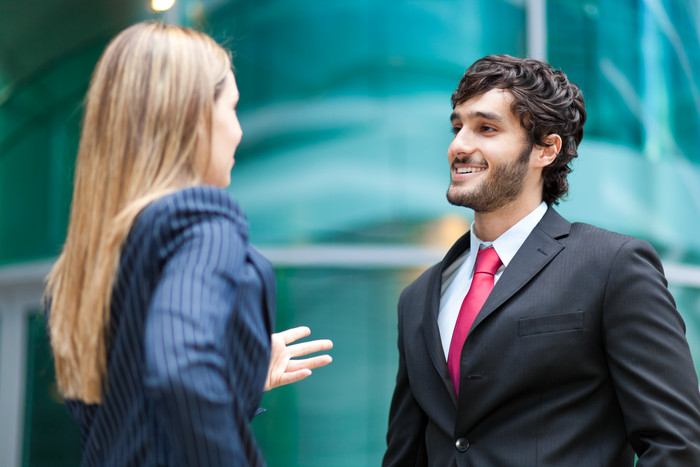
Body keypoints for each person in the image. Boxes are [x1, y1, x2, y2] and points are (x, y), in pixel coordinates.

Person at [383, 54, 700, 466]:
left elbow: (676, 445)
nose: (459, 145)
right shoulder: (419, 296)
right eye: (457, 127)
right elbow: (407, 453)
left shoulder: (611, 266)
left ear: (546, 149)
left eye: (486, 128)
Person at [45, 21, 332, 466]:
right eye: (233, 109)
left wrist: (239, 372)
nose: (238, 131)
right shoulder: (203, 219)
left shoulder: (90, 258)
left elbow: (126, 419)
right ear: (194, 116)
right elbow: (180, 367)